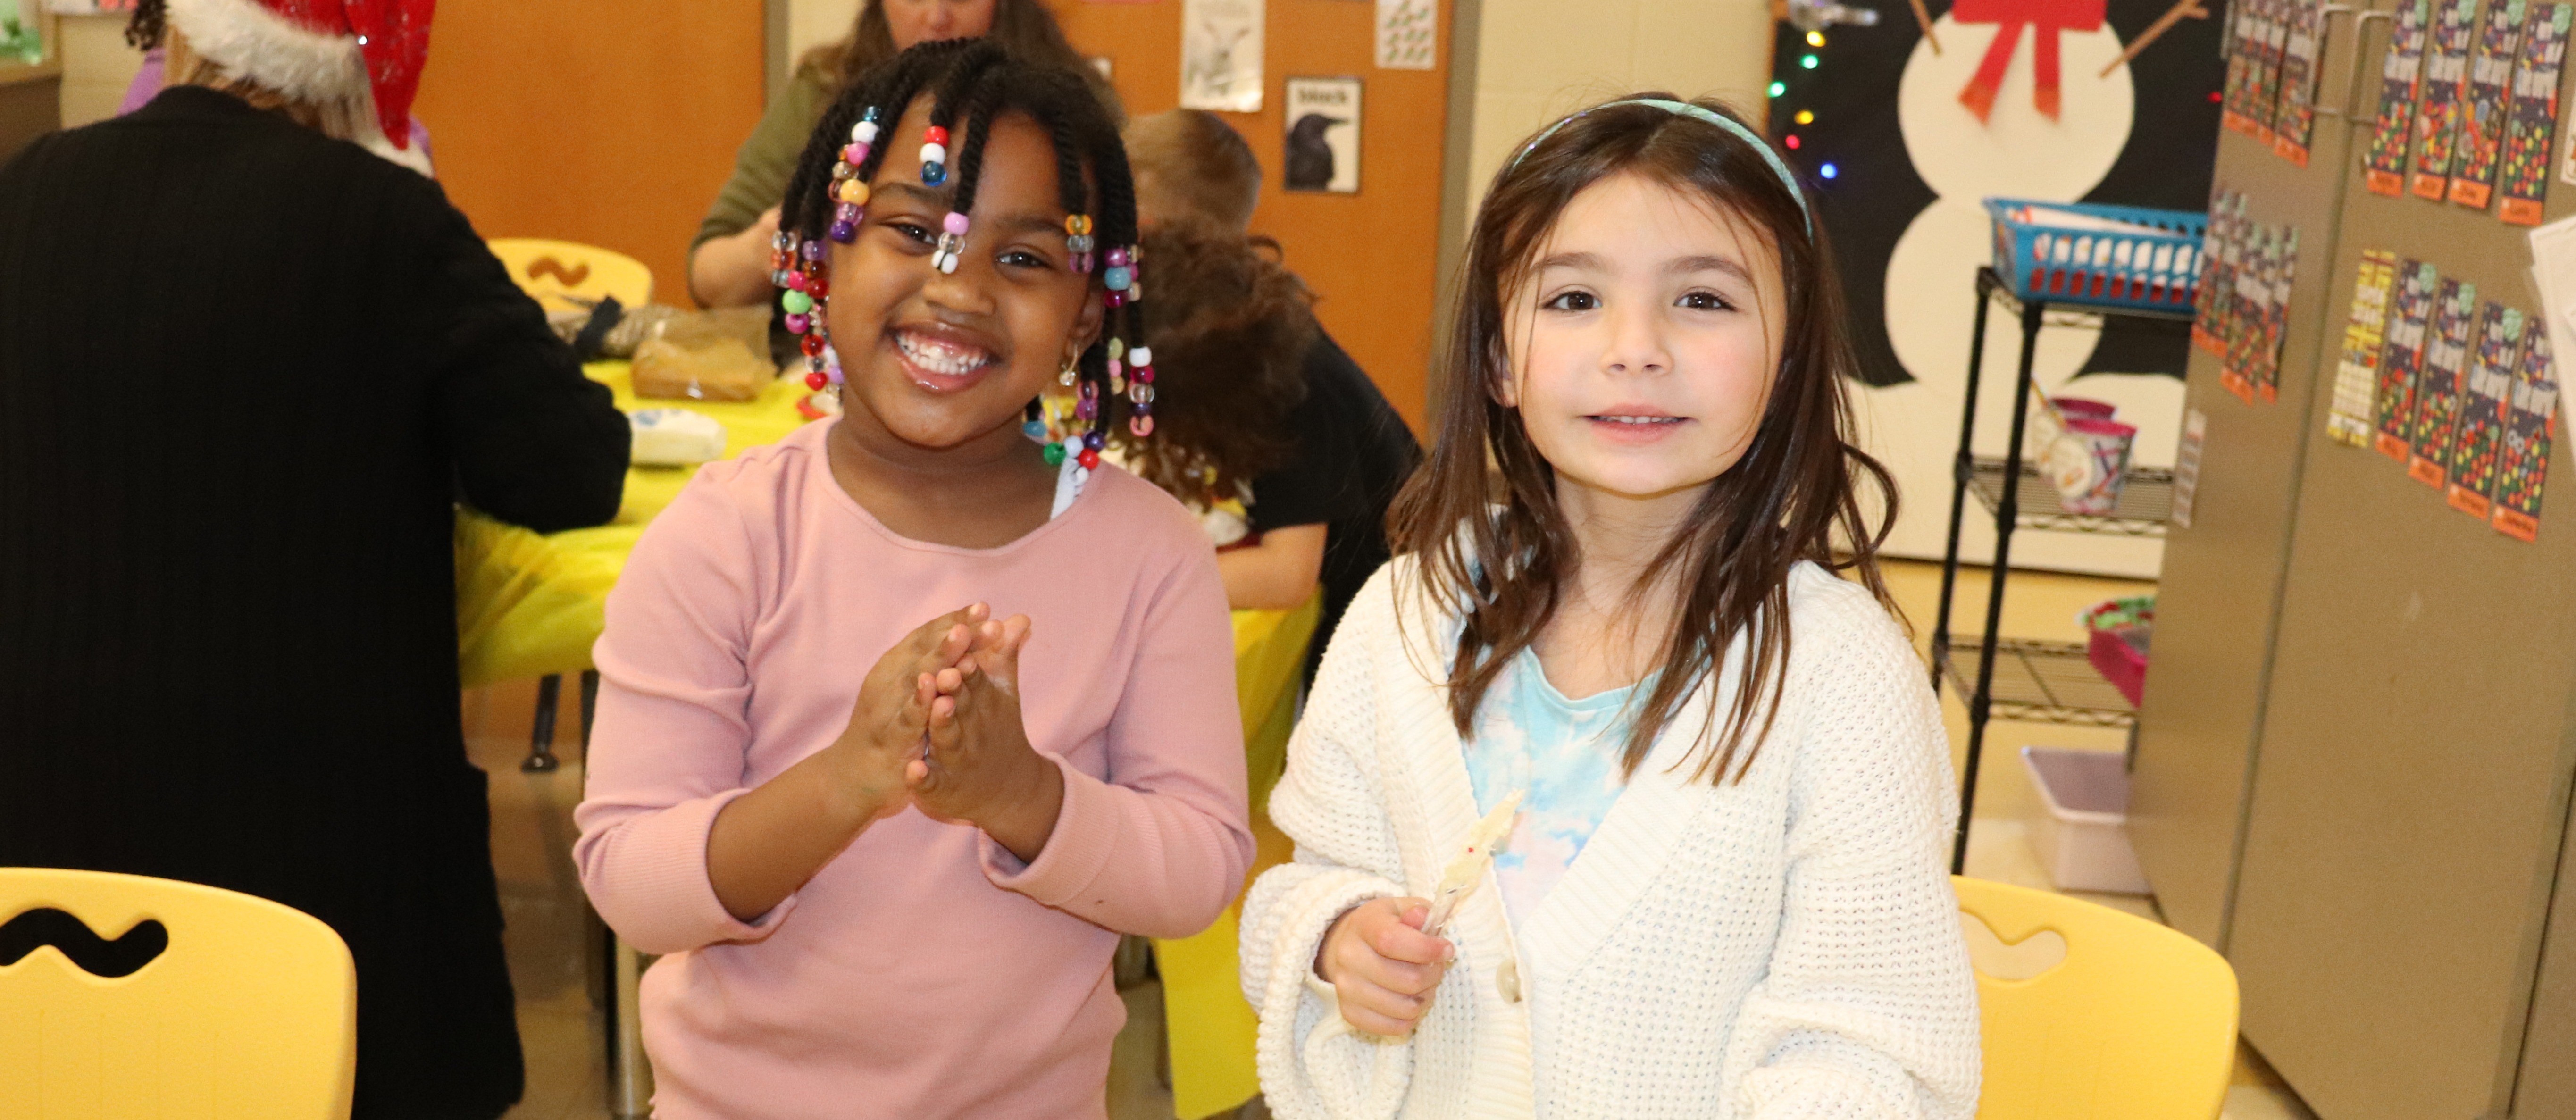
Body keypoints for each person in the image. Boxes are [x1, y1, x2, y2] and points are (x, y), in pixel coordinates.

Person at [1238, 96, 1982, 1117]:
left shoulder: (1846, 676)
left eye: (1705, 302)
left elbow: (1866, 1047)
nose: (1636, 347)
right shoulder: (1404, 616)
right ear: (1499, 360)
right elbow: (1301, 884)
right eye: (1575, 299)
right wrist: (1337, 933)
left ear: (1791, 358)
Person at [574, 41, 1251, 1119]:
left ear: (1087, 313)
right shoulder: (726, 533)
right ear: (821, 250)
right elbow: (633, 881)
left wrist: (1021, 795)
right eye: (910, 230)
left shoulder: (1150, 553)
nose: (959, 290)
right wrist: (846, 781)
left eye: (1026, 259)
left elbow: (1198, 867)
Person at [0, 0, 630, 1117]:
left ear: (176, 26)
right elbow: (575, 467)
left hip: (47, 849)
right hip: (331, 867)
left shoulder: (25, 191)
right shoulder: (388, 224)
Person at [1123, 109, 1421, 678]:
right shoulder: (1234, 319)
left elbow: (1287, 574)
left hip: (1388, 638)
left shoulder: (1264, 360)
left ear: (1147, 227)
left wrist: (1138, 585)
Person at [688, 0, 1120, 309]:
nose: (937, 16)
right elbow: (708, 274)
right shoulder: (827, 90)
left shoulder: (1073, 109)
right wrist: (769, 245)